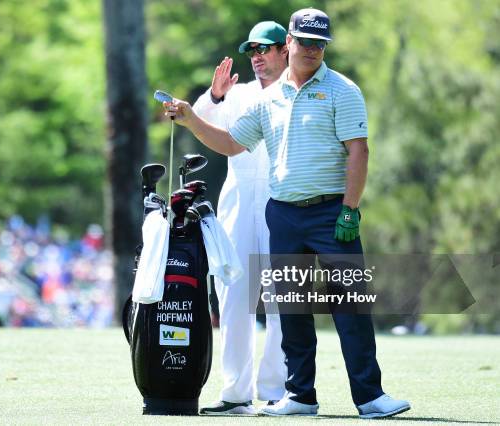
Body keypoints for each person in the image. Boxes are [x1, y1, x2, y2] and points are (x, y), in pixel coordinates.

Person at [164, 8, 411, 419]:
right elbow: (230, 144)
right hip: (283, 215)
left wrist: (350, 209)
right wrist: (191, 119)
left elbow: (359, 151)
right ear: (292, 42)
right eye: (306, 41)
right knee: (292, 311)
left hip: (332, 214)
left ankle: (370, 397)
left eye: (320, 43)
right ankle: (300, 396)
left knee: (350, 306)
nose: (313, 49)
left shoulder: (342, 89)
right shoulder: (268, 99)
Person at [192, 21, 288, 416]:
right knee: (233, 295)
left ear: (286, 50)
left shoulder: (296, 90)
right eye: (252, 52)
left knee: (284, 298)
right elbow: (201, 120)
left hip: (281, 197)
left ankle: (279, 390)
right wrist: (214, 95)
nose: (258, 58)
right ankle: (235, 392)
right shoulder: (240, 93)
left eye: (265, 49)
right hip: (238, 197)